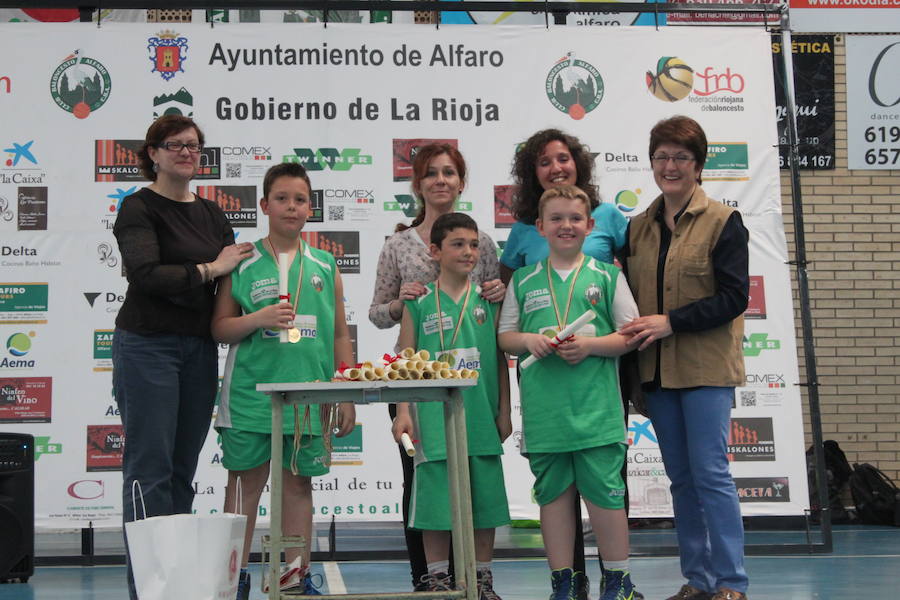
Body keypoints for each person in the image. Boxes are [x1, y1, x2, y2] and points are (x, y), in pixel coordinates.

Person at [112, 115, 254, 600]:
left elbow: (231, 285)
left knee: (181, 472)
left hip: (198, 350)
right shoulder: (138, 207)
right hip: (147, 346)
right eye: (175, 145)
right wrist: (212, 267)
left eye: (194, 145)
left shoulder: (213, 215)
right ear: (153, 152)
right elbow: (147, 275)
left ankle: (177, 585)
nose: (186, 152)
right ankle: (147, 589)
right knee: (148, 470)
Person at [618, 115, 750, 600]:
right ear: (652, 162)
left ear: (699, 166)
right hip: (655, 373)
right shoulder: (636, 227)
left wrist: (671, 321)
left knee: (711, 474)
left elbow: (735, 298)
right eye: (662, 157)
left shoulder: (724, 221)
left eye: (681, 158)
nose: (670, 166)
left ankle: (732, 582)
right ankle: (698, 579)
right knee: (681, 480)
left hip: (706, 370)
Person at [501, 128, 636, 600]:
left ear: (590, 225)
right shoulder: (522, 278)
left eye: (575, 218)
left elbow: (630, 334)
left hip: (596, 408)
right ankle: (563, 581)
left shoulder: (607, 275)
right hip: (546, 410)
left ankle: (617, 581)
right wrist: (531, 341)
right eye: (555, 218)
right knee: (553, 497)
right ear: (538, 228)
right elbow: (506, 336)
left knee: (605, 495)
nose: (565, 225)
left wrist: (593, 346)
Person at [212, 162, 356, 599]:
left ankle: (292, 578)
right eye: (281, 198)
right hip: (251, 395)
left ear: (310, 208)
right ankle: (230, 580)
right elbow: (220, 328)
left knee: (297, 487)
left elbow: (338, 334)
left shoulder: (326, 264)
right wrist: (257, 319)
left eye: (299, 200)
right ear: (264, 205)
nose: (290, 207)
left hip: (307, 394)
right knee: (243, 488)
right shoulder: (242, 259)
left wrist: (345, 390)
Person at [368, 143, 506, 591]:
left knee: (480, 488)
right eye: (431, 173)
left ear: (461, 181)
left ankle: (477, 575)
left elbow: (491, 314)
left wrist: (505, 408)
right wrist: (400, 303)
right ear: (418, 182)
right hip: (422, 394)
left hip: (477, 399)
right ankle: (431, 577)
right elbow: (378, 315)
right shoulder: (398, 245)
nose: (441, 180)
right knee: (426, 487)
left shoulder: (484, 242)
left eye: (449, 172)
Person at [391, 212, 512, 599]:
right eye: (458, 244)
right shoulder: (419, 302)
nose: (469, 251)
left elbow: (498, 361)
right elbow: (405, 362)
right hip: (432, 419)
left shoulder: (488, 300)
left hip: (479, 416)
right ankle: (438, 581)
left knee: (485, 502)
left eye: (474, 244)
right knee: (434, 506)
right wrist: (405, 412)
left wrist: (505, 410)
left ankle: (482, 580)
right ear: (435, 251)